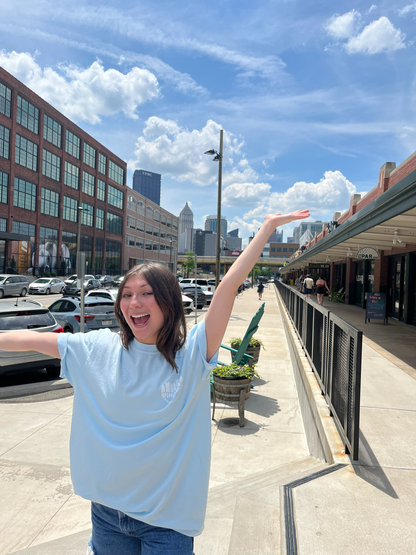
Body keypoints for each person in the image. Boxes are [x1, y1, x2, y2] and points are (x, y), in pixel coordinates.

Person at [0, 209, 309, 555]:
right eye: (127, 294)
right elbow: (30, 340)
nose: (135, 302)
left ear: (168, 301)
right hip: (107, 514)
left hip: (168, 523)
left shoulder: (191, 356)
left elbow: (228, 286)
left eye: (146, 293)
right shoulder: (97, 348)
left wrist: (266, 228)